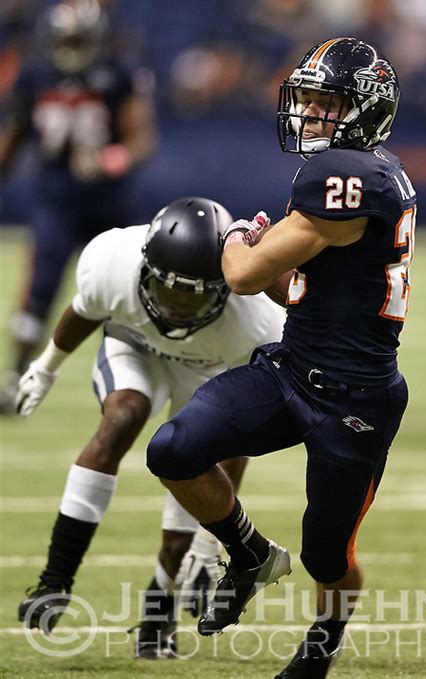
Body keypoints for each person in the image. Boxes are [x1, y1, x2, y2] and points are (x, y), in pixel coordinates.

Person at [146, 37, 417, 678]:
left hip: (356, 397)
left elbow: (239, 276)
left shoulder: (348, 179)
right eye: (310, 102)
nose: (312, 115)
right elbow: (292, 290)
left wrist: (239, 236)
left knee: (327, 553)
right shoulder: (366, 173)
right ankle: (246, 554)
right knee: (173, 449)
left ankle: (322, 643)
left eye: (328, 104)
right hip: (291, 366)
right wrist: (268, 259)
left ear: (365, 109)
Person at [15, 196, 286, 659]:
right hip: (136, 345)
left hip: (209, 368)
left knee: (190, 467)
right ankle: (54, 580)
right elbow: (85, 309)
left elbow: (236, 441)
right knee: (123, 416)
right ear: (146, 269)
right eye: (171, 291)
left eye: (195, 293)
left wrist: (210, 537)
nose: (179, 308)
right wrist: (46, 366)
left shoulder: (258, 320)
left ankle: (158, 607)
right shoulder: (112, 260)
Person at [0, 0, 156, 411]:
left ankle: (143, 377)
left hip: (108, 204)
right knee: (39, 289)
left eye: (78, 40)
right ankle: (18, 374)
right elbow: (12, 140)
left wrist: (112, 158)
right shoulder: (34, 77)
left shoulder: (118, 74)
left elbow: (141, 139)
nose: (70, 50)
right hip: (57, 200)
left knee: (127, 291)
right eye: (64, 40)